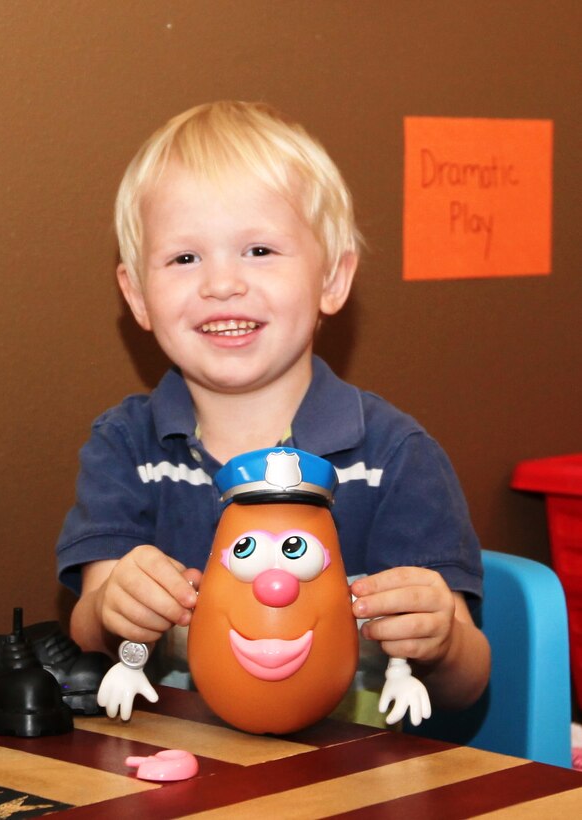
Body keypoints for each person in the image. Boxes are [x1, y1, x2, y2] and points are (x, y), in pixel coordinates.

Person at [57, 100, 490, 717]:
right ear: (137, 295)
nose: (222, 283)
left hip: (352, 778)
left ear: (332, 281)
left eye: (259, 250)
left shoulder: (394, 458)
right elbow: (89, 622)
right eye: (185, 258)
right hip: (175, 767)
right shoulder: (126, 445)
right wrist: (110, 607)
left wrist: (442, 637)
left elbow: (466, 685)